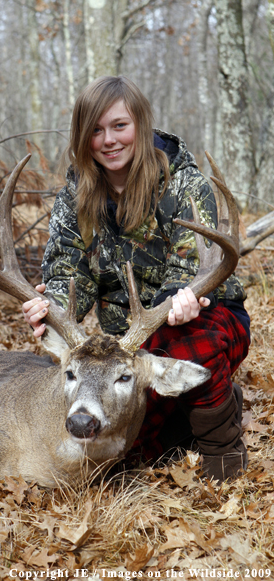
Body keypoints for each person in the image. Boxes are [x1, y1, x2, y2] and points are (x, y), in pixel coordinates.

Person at [22, 75, 250, 482]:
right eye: (95, 130)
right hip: (127, 344)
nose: (109, 140)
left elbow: (193, 265)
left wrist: (180, 298)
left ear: (141, 126)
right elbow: (67, 270)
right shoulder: (76, 197)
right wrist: (51, 307)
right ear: (82, 136)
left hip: (205, 316)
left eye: (119, 126)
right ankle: (189, 415)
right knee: (126, 443)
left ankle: (222, 449)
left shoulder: (184, 182)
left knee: (189, 345)